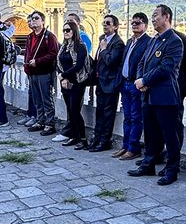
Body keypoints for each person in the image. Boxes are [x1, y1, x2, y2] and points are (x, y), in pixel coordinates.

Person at [127, 4, 184, 186]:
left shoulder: (174, 41)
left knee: (170, 136)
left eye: (155, 16)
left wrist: (145, 81)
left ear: (166, 17)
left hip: (165, 97)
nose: (152, 19)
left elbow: (166, 68)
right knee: (151, 134)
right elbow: (142, 62)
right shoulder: (154, 40)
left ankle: (171, 169)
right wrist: (139, 79)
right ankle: (148, 163)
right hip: (148, 96)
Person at [116, 12, 153, 161]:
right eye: (133, 23)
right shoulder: (130, 41)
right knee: (127, 117)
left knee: (136, 117)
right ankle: (125, 146)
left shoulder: (148, 42)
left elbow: (147, 64)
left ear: (145, 25)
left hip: (136, 84)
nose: (134, 25)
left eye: (138, 23)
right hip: (125, 83)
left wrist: (142, 80)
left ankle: (133, 148)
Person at [89, 15, 125, 153]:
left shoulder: (118, 43)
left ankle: (105, 141)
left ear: (115, 26)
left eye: (108, 23)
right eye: (104, 23)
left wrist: (104, 49)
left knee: (108, 114)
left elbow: (111, 61)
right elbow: (98, 60)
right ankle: (96, 139)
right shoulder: (101, 40)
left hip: (110, 84)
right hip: (100, 82)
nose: (105, 25)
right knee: (99, 113)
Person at [24, 11, 60, 136]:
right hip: (32, 72)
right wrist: (27, 66)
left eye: (36, 18)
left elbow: (53, 54)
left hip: (44, 72)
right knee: (36, 99)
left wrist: (38, 61)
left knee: (46, 99)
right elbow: (27, 53)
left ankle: (50, 124)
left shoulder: (49, 36)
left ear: (42, 21)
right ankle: (40, 120)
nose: (33, 20)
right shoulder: (30, 36)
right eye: (32, 18)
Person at [55, 21, 90, 148]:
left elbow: (78, 65)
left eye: (68, 30)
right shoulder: (63, 47)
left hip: (76, 83)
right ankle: (74, 137)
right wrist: (62, 76)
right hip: (65, 83)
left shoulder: (80, 46)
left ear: (74, 31)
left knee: (75, 111)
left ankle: (84, 139)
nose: (66, 32)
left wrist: (64, 75)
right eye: (64, 30)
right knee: (70, 111)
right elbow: (58, 63)